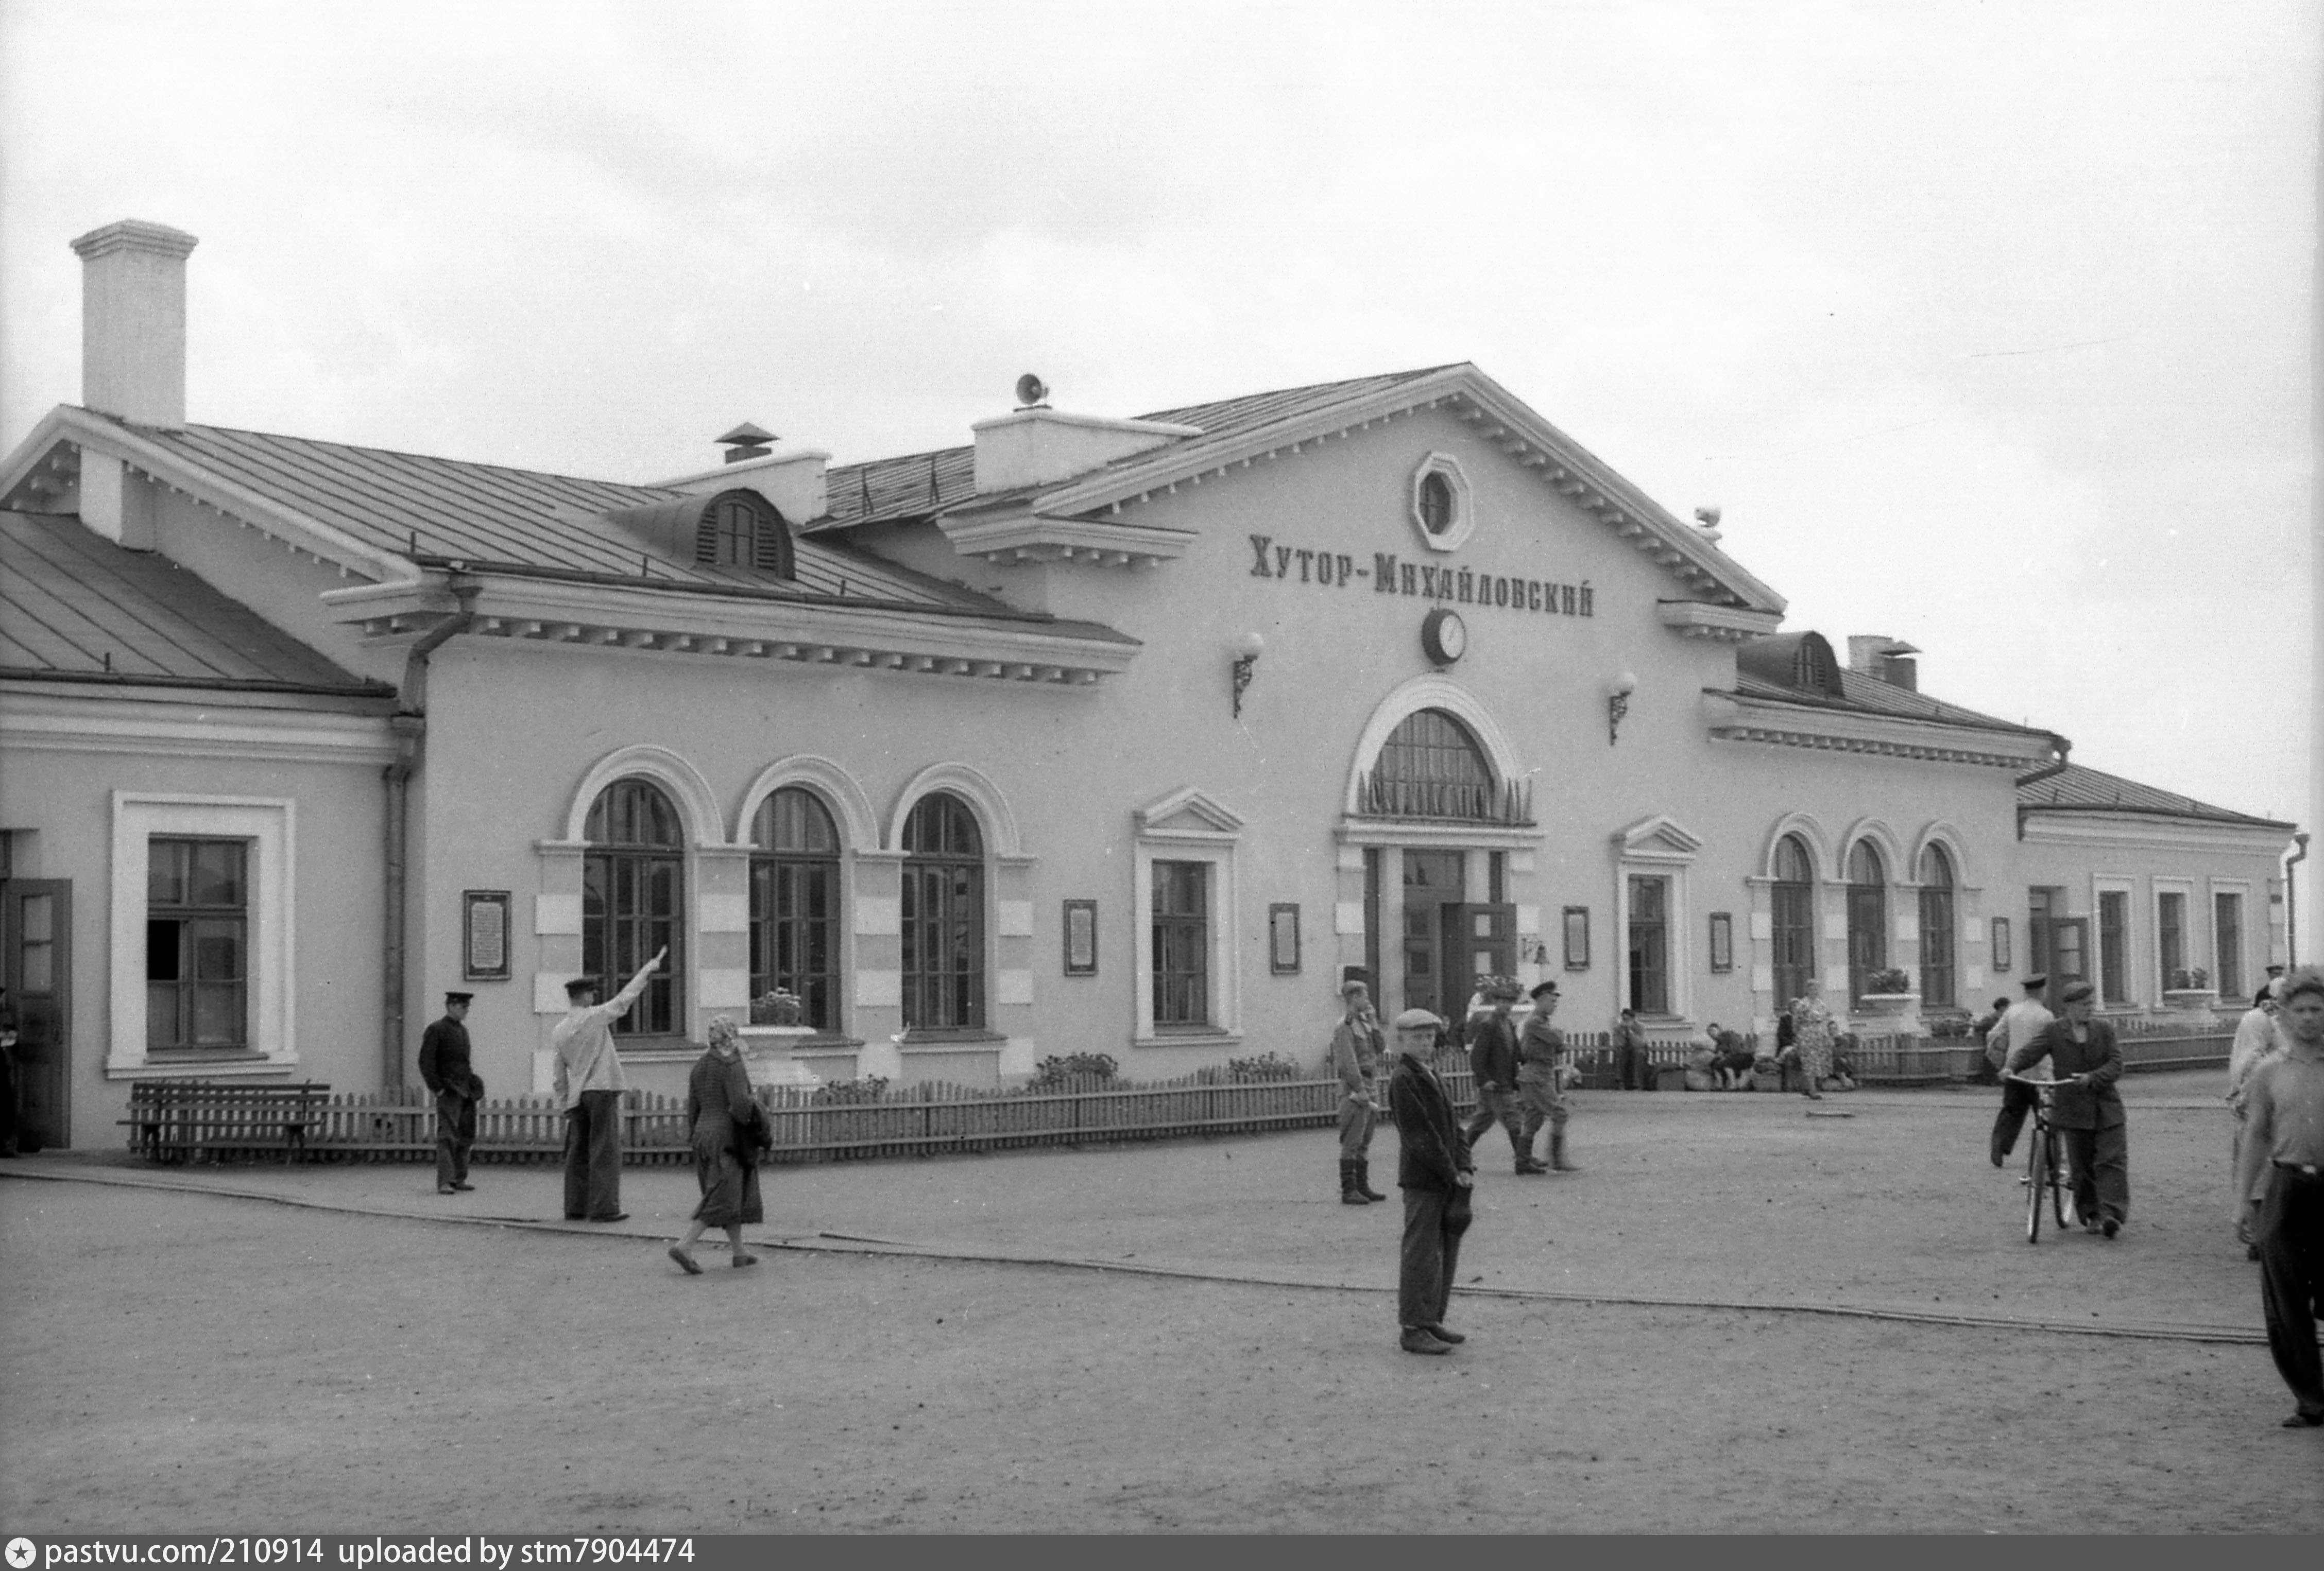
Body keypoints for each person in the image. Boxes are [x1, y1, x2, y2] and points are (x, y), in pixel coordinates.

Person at [2233, 965, 2324, 1428]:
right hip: (2286, 1189)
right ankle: (2311, 1399)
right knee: (2285, 1302)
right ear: (2284, 1016)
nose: (2309, 1018)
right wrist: (2243, 1199)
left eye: (2317, 1010)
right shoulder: (2269, 1072)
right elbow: (2255, 1136)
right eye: (2301, 1010)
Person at [552, 946, 667, 1223]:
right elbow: (625, 999)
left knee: (577, 1152)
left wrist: (565, 1102)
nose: (594, 997)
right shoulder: (595, 1017)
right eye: (592, 994)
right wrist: (647, 970)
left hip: (578, 1096)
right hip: (601, 1089)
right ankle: (604, 1208)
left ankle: (575, 1207)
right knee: (605, 1151)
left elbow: (558, 1074)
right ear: (586, 997)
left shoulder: (560, 1030)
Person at [1386, 1007, 1475, 1355]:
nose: (1425, 1043)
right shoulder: (1404, 1079)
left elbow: (1455, 1127)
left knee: (1441, 1254)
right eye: (1417, 1037)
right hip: (1424, 1179)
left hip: (1446, 1175)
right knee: (1421, 1254)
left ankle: (1431, 1319)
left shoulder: (1431, 1074)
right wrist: (1450, 1169)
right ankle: (1413, 1326)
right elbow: (1419, 1135)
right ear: (1401, 1041)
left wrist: (1464, 1165)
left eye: (1429, 1037)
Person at [2008, 979, 2127, 1237]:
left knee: (2111, 1161)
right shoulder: (2054, 1032)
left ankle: (2111, 1215)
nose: (2090, 1009)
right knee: (2081, 1166)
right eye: (2085, 1005)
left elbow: (2116, 1064)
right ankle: (2092, 1215)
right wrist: (2011, 1067)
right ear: (2070, 1007)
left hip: (2107, 1108)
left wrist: (2092, 1078)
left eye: (2091, 1004)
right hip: (2072, 1109)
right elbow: (2030, 1052)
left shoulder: (2104, 1030)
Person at [669, 1016, 771, 1273]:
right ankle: (685, 1245)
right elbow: (740, 1106)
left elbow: (693, 1107)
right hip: (728, 1137)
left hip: (703, 1134)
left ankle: (739, 1252)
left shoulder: (701, 1066)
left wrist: (694, 1134)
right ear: (732, 1036)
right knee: (724, 1193)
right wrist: (756, 1118)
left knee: (727, 1192)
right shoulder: (732, 1064)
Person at [2228, 978, 2289, 1255]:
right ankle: (2258, 1234)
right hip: (2261, 1101)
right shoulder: (2257, 1020)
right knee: (2258, 1168)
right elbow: (2247, 1060)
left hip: (2290, 1105)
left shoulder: (2296, 1018)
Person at [1462, 977, 1539, 1173]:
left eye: (1509, 1002)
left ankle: (1458, 1157)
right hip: (1495, 1084)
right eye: (1502, 1001)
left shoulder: (1508, 1025)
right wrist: (1484, 1079)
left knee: (1481, 1122)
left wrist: (1530, 1057)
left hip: (1504, 1081)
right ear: (1495, 1003)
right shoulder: (1489, 1025)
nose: (1506, 1006)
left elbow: (1515, 1052)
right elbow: (1478, 1056)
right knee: (1513, 1120)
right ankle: (1523, 1161)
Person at [1329, 979, 1389, 1204]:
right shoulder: (1344, 1027)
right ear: (1353, 998)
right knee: (1352, 1140)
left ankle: (1363, 1186)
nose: (1368, 1001)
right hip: (1355, 1089)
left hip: (1370, 1084)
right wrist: (1361, 1090)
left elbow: (1381, 1047)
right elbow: (1348, 1063)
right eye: (1364, 996)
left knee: (1366, 1139)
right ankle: (1349, 1189)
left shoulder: (1364, 1024)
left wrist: (1374, 1022)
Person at [417, 991, 482, 1195]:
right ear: (452, 1006)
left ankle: (458, 1178)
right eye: (463, 1007)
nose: (466, 1011)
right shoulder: (437, 1030)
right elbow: (426, 1062)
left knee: (466, 1135)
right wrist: (438, 1088)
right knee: (447, 1136)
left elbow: (464, 1063)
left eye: (467, 1007)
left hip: (465, 1091)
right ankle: (445, 1181)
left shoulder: (462, 1031)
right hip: (449, 1090)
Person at [1987, 974, 2056, 1166]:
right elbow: (2051, 1043)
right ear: (2041, 991)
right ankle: (2049, 1157)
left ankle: (1999, 1146)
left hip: (2013, 1070)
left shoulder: (2012, 1011)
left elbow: (1994, 1034)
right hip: (2039, 1073)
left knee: (2011, 1111)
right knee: (2044, 1113)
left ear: (2026, 992)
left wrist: (2000, 1058)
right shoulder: (2045, 1015)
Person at [1516, 981, 1578, 1171]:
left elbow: (1556, 1046)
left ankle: (1523, 1162)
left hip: (1538, 1074)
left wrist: (1558, 1042)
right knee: (1560, 1113)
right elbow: (1557, 1039)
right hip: (1536, 1075)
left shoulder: (1542, 1022)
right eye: (1551, 1001)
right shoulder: (1535, 1022)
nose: (1554, 1006)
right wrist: (1559, 1037)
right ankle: (1556, 1159)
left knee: (1534, 1119)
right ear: (1541, 1001)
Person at [1788, 995, 1835, 1100]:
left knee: (1820, 1063)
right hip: (1806, 1038)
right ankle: (1812, 1090)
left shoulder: (1821, 1005)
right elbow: (1796, 1023)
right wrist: (1798, 1035)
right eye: (1812, 989)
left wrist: (1827, 1035)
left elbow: (1827, 1021)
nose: (1815, 991)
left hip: (1819, 1038)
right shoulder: (1802, 1005)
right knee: (1809, 1063)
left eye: (1816, 989)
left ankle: (1808, 1087)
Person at [1967, 996, 2011, 1086]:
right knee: (1993, 1065)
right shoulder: (1990, 1019)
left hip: (2004, 1048)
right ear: (2002, 1008)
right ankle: (1992, 1080)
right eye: (2008, 1007)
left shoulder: (2007, 1020)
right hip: (1993, 1049)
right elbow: (1978, 1027)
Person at [0, 983, 19, 1160]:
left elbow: (11, 1038)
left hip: (4, 1065)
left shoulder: (5, 1016)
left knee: (6, 1105)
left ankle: (7, 1145)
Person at [1706, 1022, 1754, 1089]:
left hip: (1741, 1056)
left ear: (1719, 1030)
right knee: (1720, 1063)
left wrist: (1711, 1058)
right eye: (1709, 1032)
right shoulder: (1731, 1035)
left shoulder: (1723, 1036)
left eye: (1713, 1031)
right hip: (1748, 1057)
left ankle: (1729, 1084)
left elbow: (1721, 1054)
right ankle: (1724, 1084)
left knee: (1719, 1063)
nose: (1711, 1034)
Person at [1612, 1007, 1649, 1092]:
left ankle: (1637, 1084)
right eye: (1624, 1019)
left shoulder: (1640, 1027)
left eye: (1628, 1019)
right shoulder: (1618, 1028)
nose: (1626, 1021)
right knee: (1619, 1054)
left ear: (1633, 1019)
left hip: (1638, 1049)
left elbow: (1640, 1043)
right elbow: (1618, 1044)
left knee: (1638, 1054)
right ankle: (1620, 1082)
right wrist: (1623, 1033)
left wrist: (1631, 1033)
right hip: (1625, 1049)